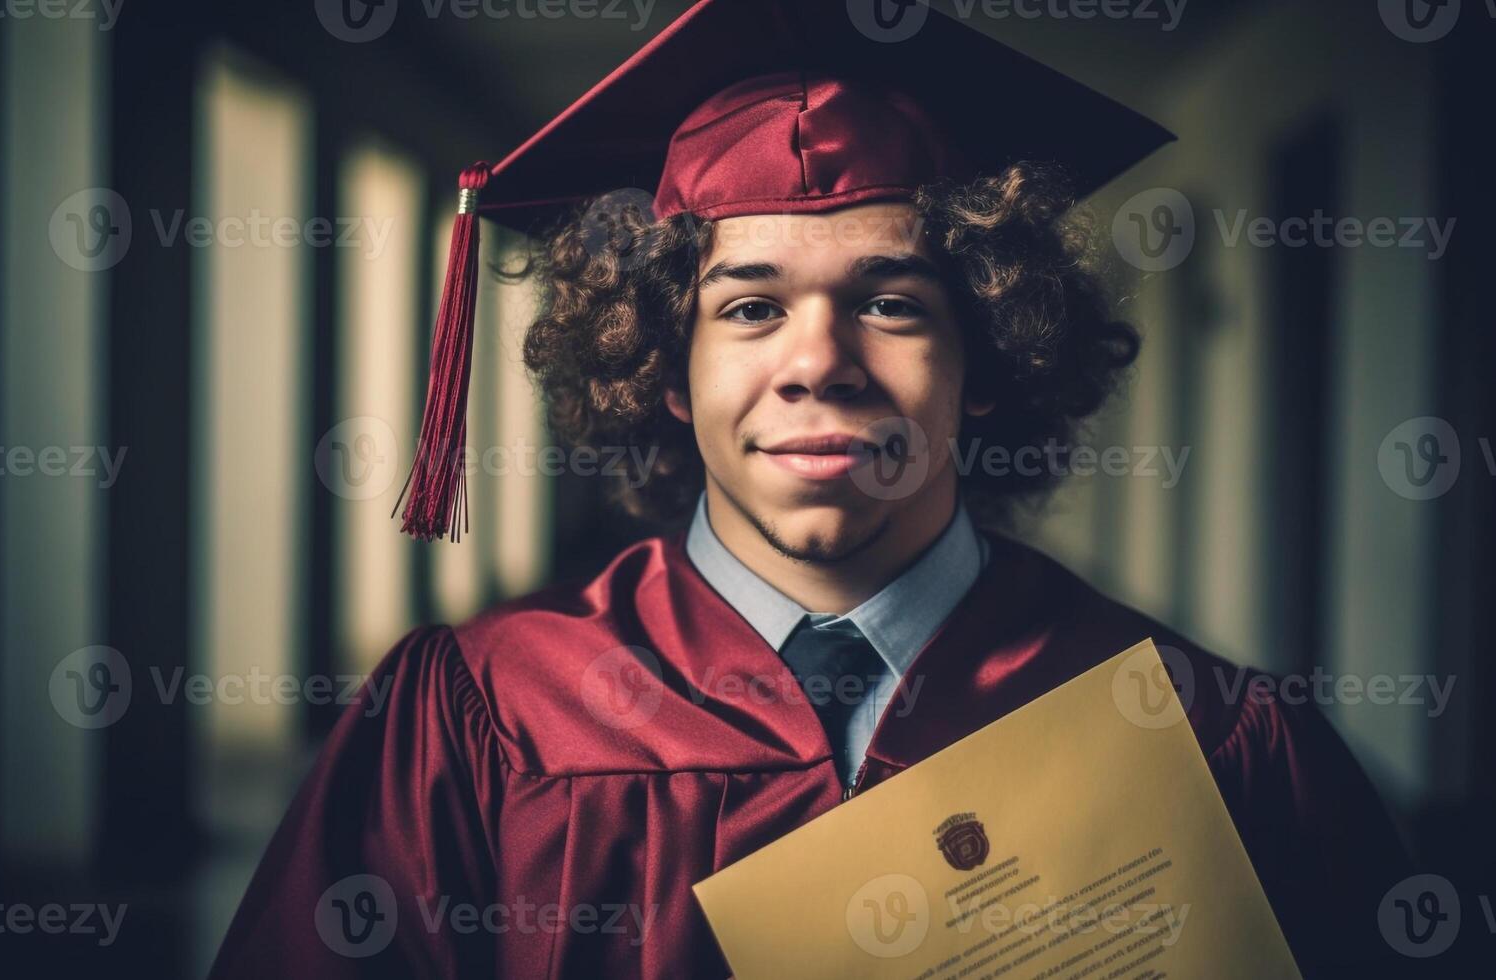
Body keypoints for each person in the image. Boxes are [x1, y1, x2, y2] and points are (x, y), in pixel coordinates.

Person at [212, 1, 1411, 976]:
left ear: (986, 358)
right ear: (661, 369)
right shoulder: (479, 723)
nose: (818, 363)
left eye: (890, 301)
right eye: (748, 307)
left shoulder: (1204, 736)